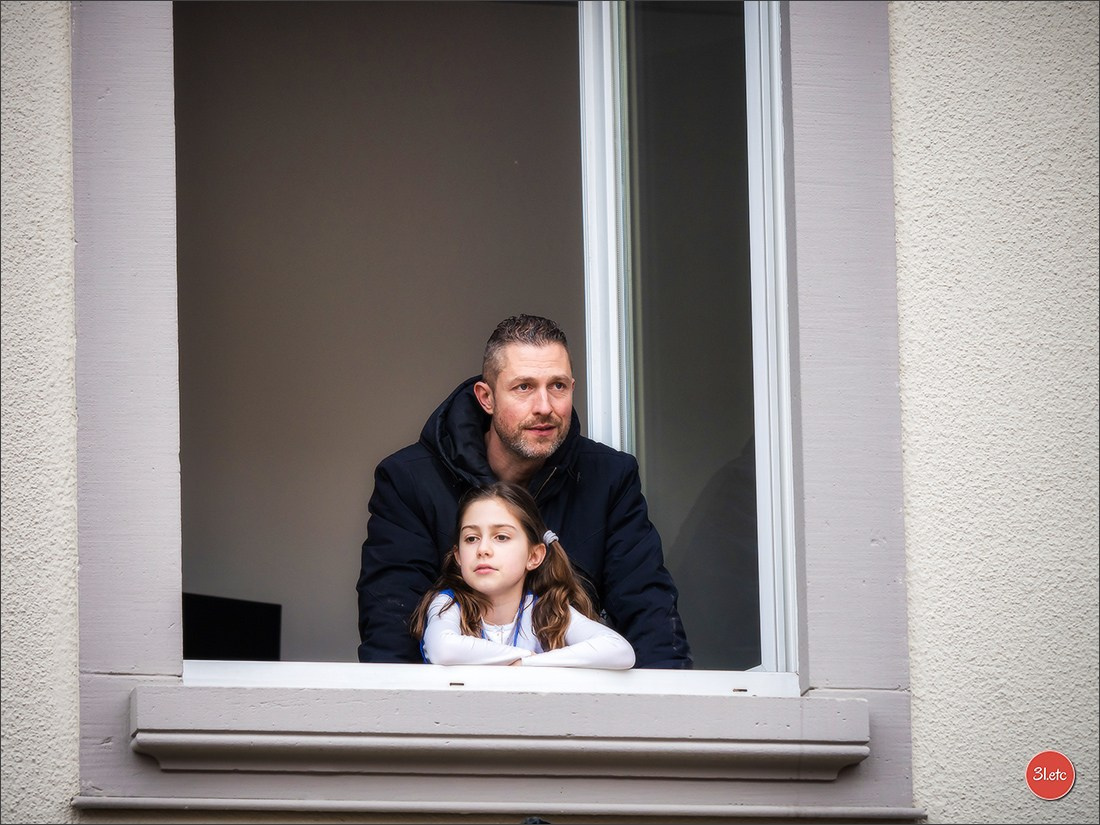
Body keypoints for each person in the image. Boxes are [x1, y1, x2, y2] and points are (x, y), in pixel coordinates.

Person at [357, 314, 692, 668]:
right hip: (449, 709)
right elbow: (390, 626)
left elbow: (650, 613)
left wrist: (668, 713)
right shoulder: (409, 480)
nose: (545, 407)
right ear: (486, 398)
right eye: (524, 387)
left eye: (558, 386)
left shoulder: (609, 476)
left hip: (576, 706)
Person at [411, 482, 635, 668]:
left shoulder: (546, 609)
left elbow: (620, 651)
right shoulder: (448, 604)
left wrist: (530, 665)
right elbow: (444, 649)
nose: (482, 549)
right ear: (458, 556)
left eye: (501, 537)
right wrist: (523, 656)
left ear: (534, 556)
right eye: (471, 538)